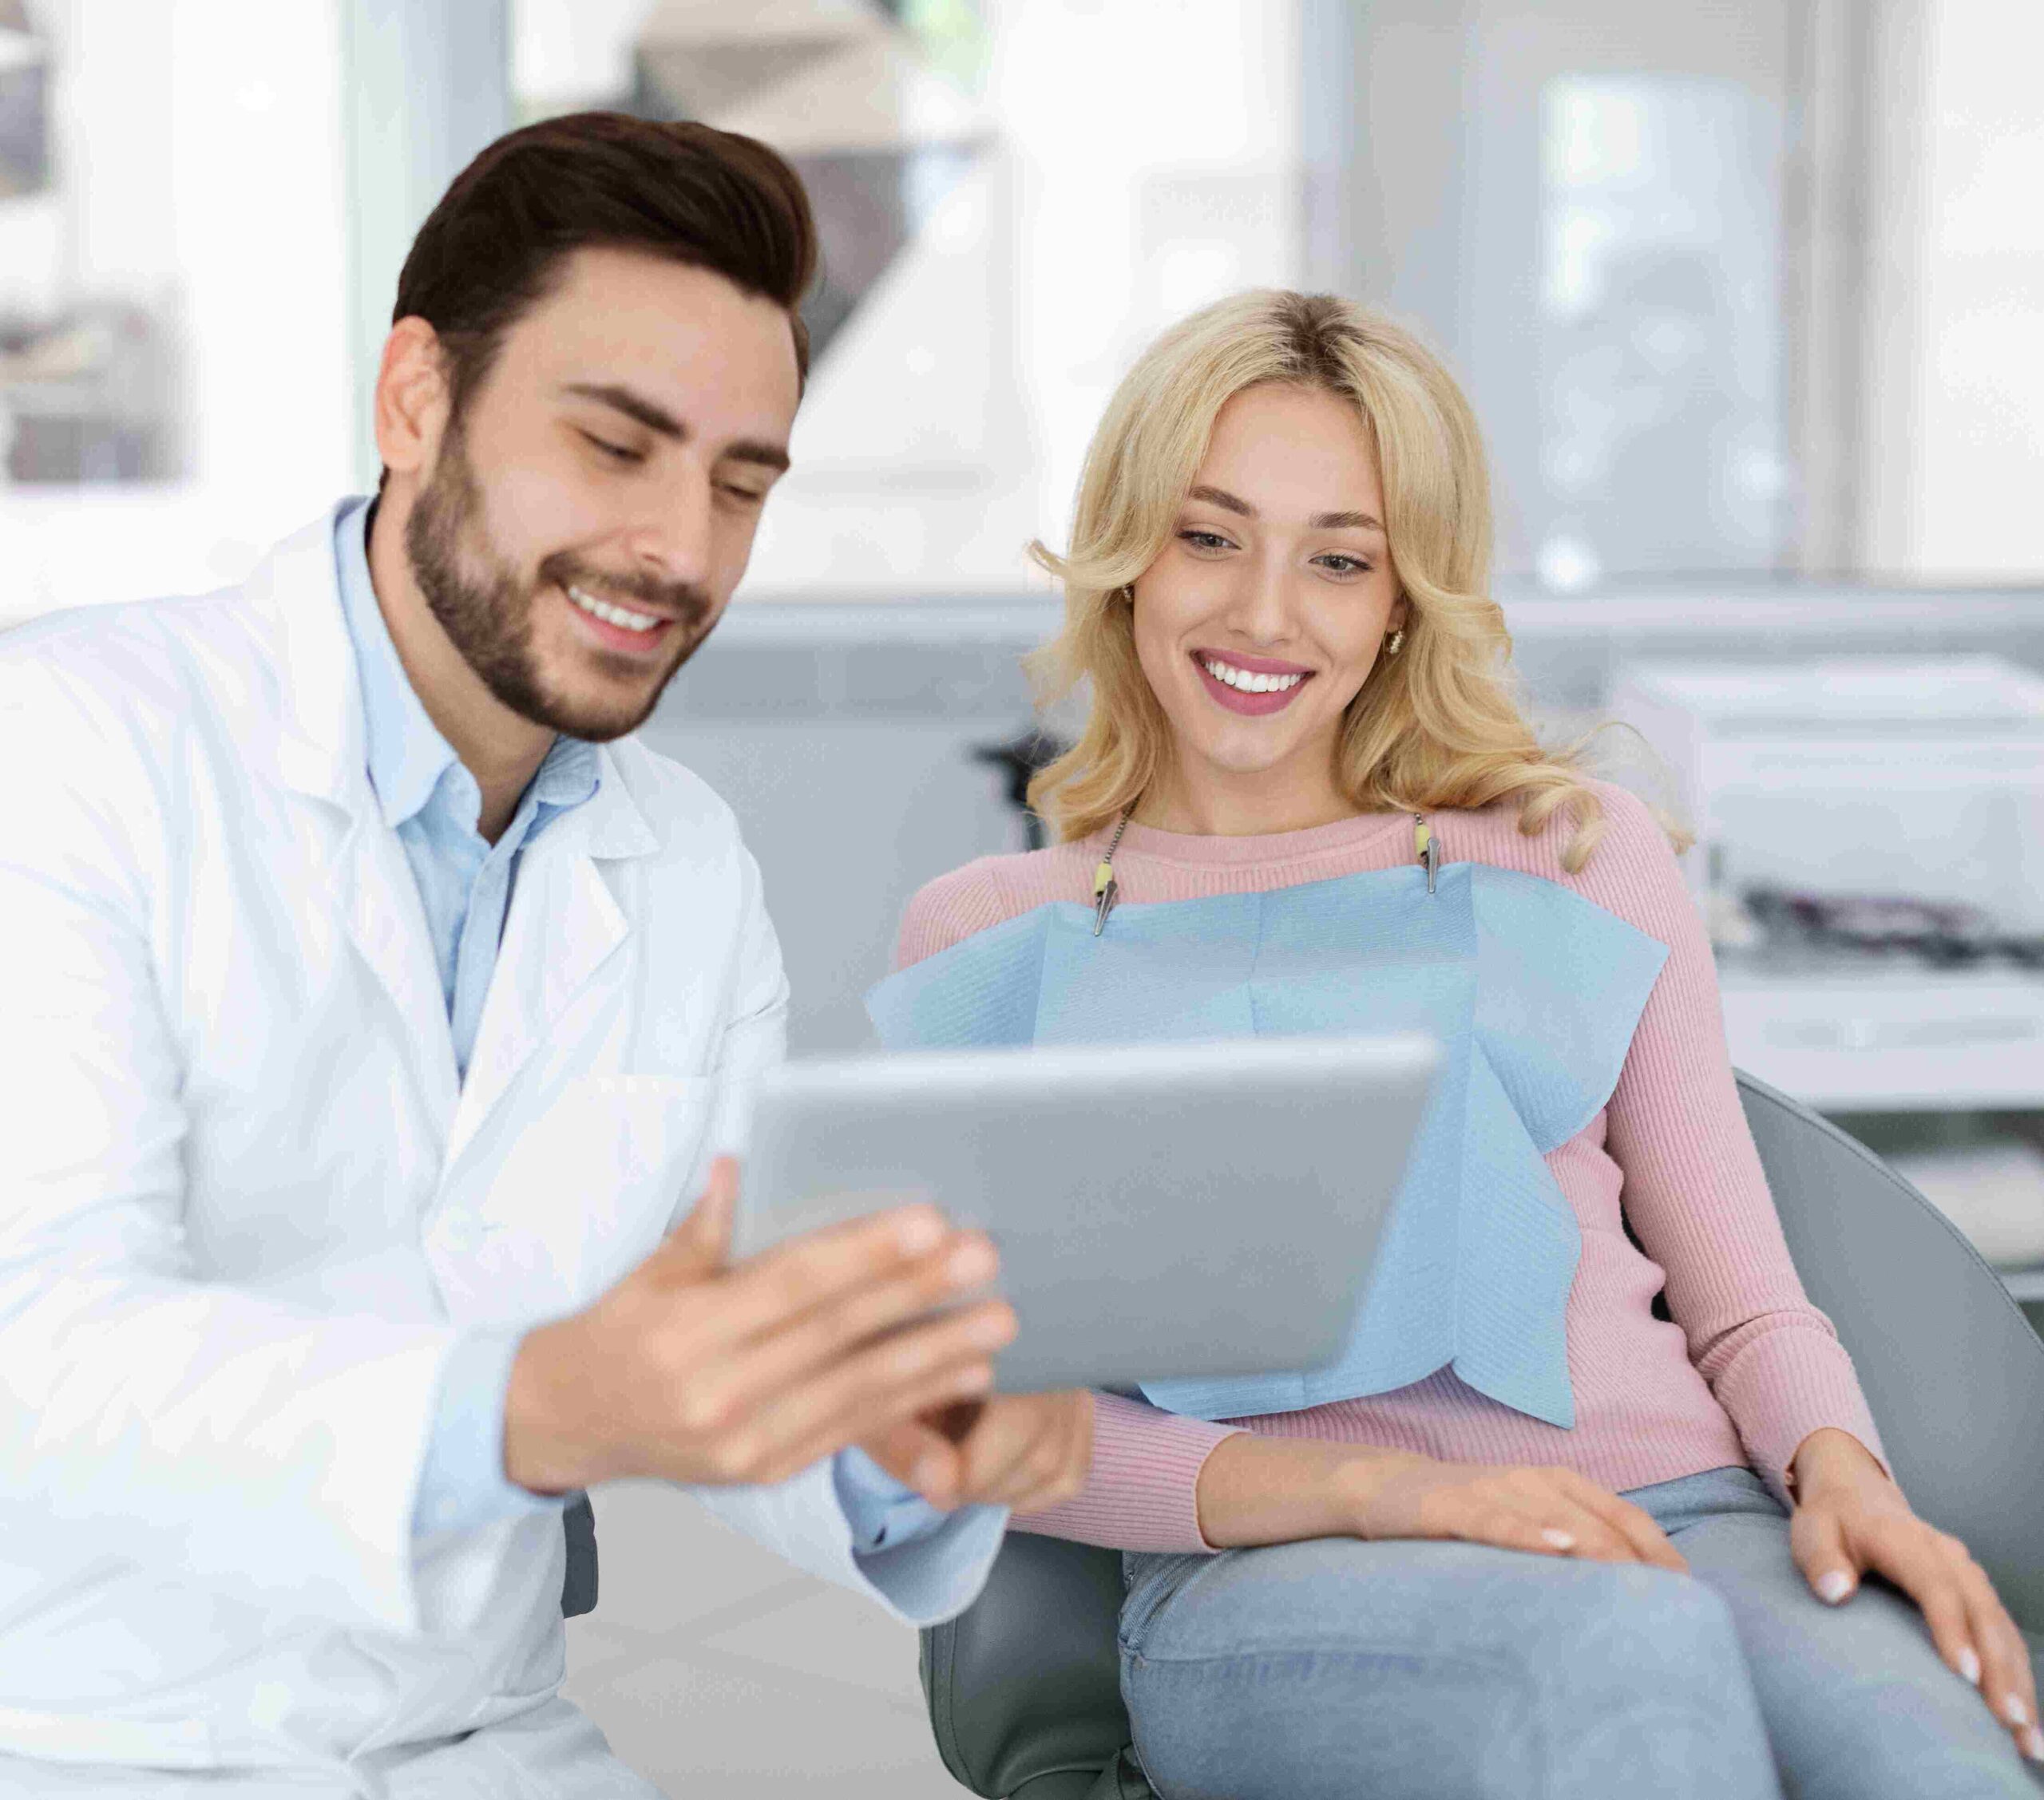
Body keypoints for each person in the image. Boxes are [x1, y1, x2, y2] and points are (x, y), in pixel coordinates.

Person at [0, 113, 1090, 1798]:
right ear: (415, 399)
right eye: (615, 445)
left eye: (740, 484)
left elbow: (697, 1338)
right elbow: (40, 1348)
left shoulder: (685, 862)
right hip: (80, 1743)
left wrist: (889, 1449)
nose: (681, 549)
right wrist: (528, 1405)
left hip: (483, 1744)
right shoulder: (67, 749)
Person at [875, 289, 2044, 1798]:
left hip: (1692, 1518)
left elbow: (1747, 1301)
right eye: (1209, 536)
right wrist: (1372, 1488)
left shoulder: (1578, 852)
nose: (1264, 614)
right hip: (1287, 1569)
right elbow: (969, 1418)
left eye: (1339, 558)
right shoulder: (988, 938)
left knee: (1939, 1767)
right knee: (1621, 1672)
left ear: (1401, 598)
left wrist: (1847, 1473)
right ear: (1128, 554)